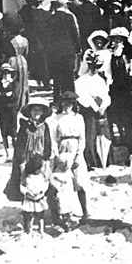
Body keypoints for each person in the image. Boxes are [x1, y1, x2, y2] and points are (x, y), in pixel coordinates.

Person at [49, 91, 89, 227]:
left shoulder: (79, 118)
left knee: (80, 182)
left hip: (75, 147)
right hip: (61, 149)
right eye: (65, 103)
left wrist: (79, 154)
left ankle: (84, 212)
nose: (67, 106)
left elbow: (83, 138)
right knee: (59, 182)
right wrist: (56, 154)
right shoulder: (56, 119)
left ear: (74, 105)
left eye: (70, 103)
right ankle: (58, 215)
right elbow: (53, 139)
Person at [3, 98, 52, 205]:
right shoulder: (24, 126)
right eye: (34, 110)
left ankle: (40, 209)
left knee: (41, 183)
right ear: (30, 112)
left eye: (39, 110)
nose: (36, 112)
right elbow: (19, 146)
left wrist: (46, 162)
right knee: (25, 183)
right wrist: (21, 164)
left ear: (43, 112)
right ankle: (26, 208)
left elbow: (48, 145)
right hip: (26, 159)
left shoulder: (45, 127)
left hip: (40, 160)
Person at [0, 64, 20, 159]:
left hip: (11, 111)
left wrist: (3, 96)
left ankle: (16, 153)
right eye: (4, 73)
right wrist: (5, 95)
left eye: (8, 73)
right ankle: (7, 153)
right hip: (2, 112)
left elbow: (15, 97)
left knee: (13, 132)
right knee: (4, 132)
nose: (6, 75)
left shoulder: (14, 84)